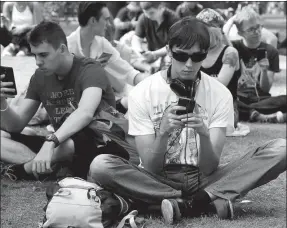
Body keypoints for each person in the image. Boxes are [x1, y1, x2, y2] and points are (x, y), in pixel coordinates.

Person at [88, 17, 286, 224]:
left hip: (205, 177)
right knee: (101, 166)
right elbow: (151, 166)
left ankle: (179, 202)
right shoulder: (143, 92)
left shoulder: (219, 93)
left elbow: (210, 167)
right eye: (181, 56)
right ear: (169, 51)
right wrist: (163, 132)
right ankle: (203, 200)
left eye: (198, 56)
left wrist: (204, 134)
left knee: (281, 148)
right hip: (156, 178)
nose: (190, 65)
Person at [0, 21, 128, 181]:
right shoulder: (40, 77)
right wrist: (2, 102)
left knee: (74, 141)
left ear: (62, 49)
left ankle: (28, 168)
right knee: (2, 136)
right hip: (60, 145)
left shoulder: (90, 69)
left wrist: (50, 141)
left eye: (43, 55)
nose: (37, 62)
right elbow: (16, 125)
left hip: (99, 142)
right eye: (34, 55)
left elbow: (85, 113)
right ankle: (47, 165)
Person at [67, 2, 148, 113]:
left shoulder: (102, 44)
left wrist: (154, 81)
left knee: (135, 101)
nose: (108, 24)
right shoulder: (68, 46)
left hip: (100, 104)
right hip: (72, 106)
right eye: (105, 19)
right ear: (93, 21)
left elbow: (128, 72)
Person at [230, 6, 286, 123]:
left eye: (258, 27)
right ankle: (258, 114)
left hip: (262, 100)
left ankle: (250, 112)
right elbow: (221, 34)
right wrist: (232, 20)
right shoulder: (233, 48)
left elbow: (266, 88)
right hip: (239, 97)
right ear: (240, 32)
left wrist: (264, 71)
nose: (257, 32)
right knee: (228, 101)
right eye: (251, 29)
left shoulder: (271, 51)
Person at [196, 9, 240, 127]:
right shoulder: (196, 51)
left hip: (226, 109)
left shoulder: (230, 52)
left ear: (219, 33)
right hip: (198, 107)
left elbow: (221, 83)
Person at [131, 2, 179, 66]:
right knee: (129, 54)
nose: (148, 16)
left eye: (151, 13)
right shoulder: (143, 17)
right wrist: (140, 51)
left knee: (169, 60)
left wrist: (154, 54)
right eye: (145, 13)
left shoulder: (174, 20)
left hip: (168, 53)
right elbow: (136, 38)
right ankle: (149, 68)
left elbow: (173, 46)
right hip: (150, 53)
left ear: (161, 8)